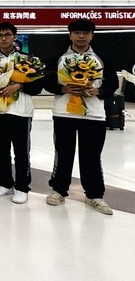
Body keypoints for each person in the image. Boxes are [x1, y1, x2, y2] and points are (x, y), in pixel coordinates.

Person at [43, 19, 117, 215]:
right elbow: (46, 81)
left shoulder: (102, 59)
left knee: (92, 156)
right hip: (64, 113)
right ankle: (59, 190)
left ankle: (94, 195)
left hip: (94, 115)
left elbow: (112, 84)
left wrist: (98, 91)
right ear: (70, 35)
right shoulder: (59, 58)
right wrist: (63, 88)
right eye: (77, 32)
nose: (81, 36)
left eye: (85, 32)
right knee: (63, 153)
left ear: (92, 35)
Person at [0, 22, 44, 204]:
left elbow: (38, 87)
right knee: (1, 150)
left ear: (15, 37)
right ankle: (5, 183)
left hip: (21, 111)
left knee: (21, 151)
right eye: (0, 35)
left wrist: (19, 85)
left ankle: (22, 187)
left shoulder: (28, 60)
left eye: (7, 34)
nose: (4, 38)